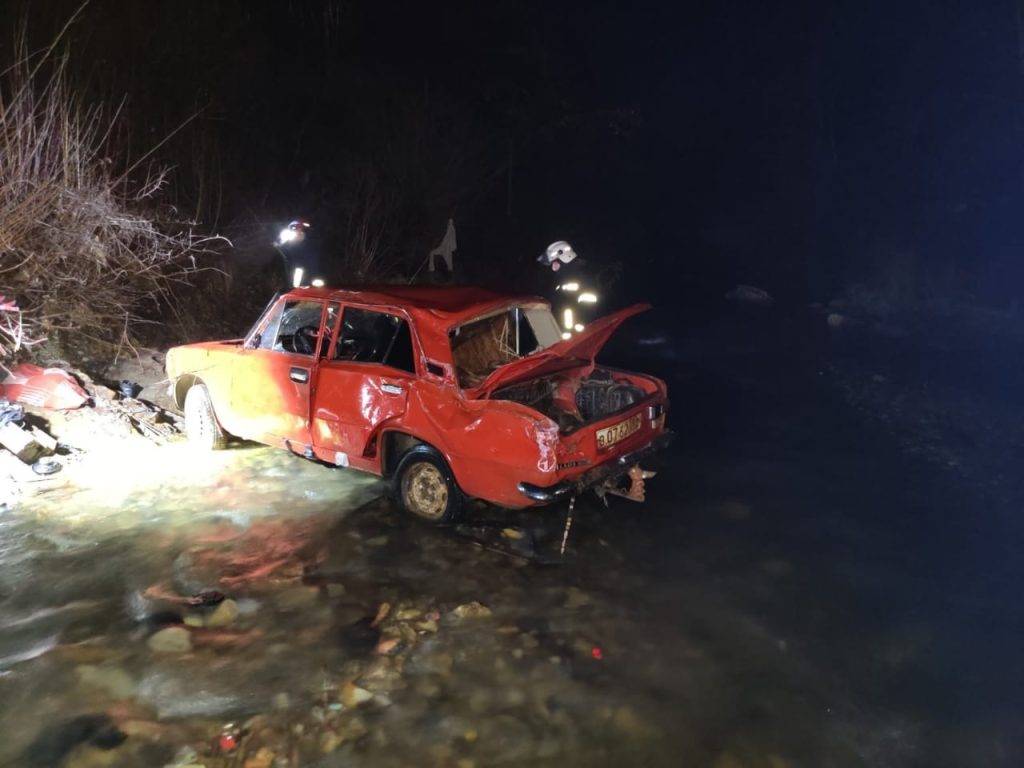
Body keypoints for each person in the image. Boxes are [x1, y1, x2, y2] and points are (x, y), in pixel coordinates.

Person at [537, 240, 600, 337]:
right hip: (566, 338)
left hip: (580, 337)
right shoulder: (560, 282)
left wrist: (579, 328)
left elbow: (589, 308)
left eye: (554, 262)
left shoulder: (582, 279)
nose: (553, 267)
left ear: (565, 257)